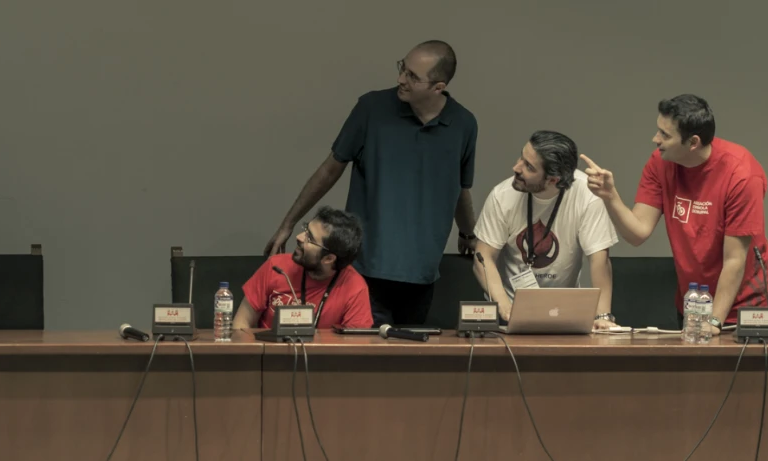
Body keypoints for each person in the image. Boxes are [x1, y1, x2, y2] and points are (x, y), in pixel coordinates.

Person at [262, 40, 479, 326]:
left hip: (422, 272)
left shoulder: (463, 124)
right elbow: (330, 169)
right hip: (365, 269)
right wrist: (288, 224)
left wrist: (468, 234)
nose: (401, 78)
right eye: (403, 67)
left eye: (413, 76)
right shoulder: (371, 108)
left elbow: (460, 188)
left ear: (438, 86)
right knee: (366, 358)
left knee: (407, 362)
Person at [581, 94, 768, 334]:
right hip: (693, 303)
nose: (655, 139)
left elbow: (735, 259)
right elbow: (637, 233)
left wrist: (714, 321)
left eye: (665, 135)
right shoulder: (660, 162)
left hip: (741, 308)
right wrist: (610, 196)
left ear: (693, 142)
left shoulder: (742, 174)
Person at [472, 130, 619, 328]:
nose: (516, 168)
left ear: (553, 180)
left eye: (529, 167)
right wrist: (506, 308)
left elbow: (599, 260)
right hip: (509, 305)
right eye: (521, 158)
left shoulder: (587, 194)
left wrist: (603, 316)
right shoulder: (502, 195)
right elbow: (483, 258)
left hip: (565, 310)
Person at [235, 206, 373, 329]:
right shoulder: (276, 267)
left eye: (310, 239)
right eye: (306, 229)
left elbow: (355, 347)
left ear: (329, 258)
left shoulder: (355, 289)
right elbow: (240, 324)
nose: (299, 237)